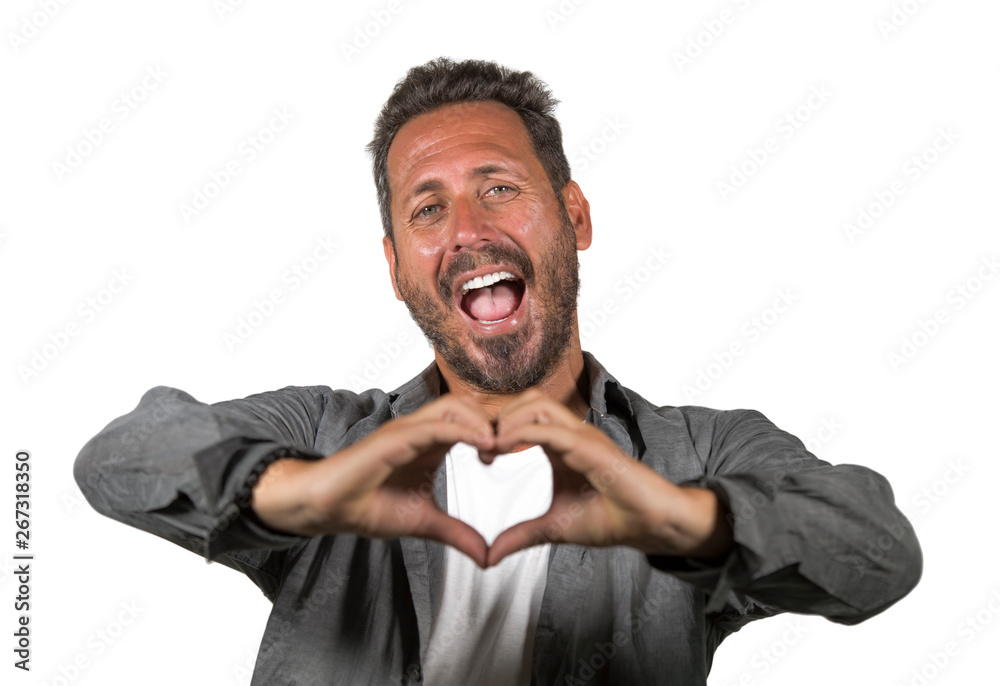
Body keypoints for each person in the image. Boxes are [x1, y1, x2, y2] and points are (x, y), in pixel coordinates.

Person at [74, 57, 922, 685]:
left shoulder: (693, 453)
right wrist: (297, 496)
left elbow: (878, 553)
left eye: (499, 187)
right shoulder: (330, 439)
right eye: (428, 209)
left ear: (574, 216)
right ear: (398, 265)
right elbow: (120, 457)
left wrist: (683, 520)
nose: (467, 231)